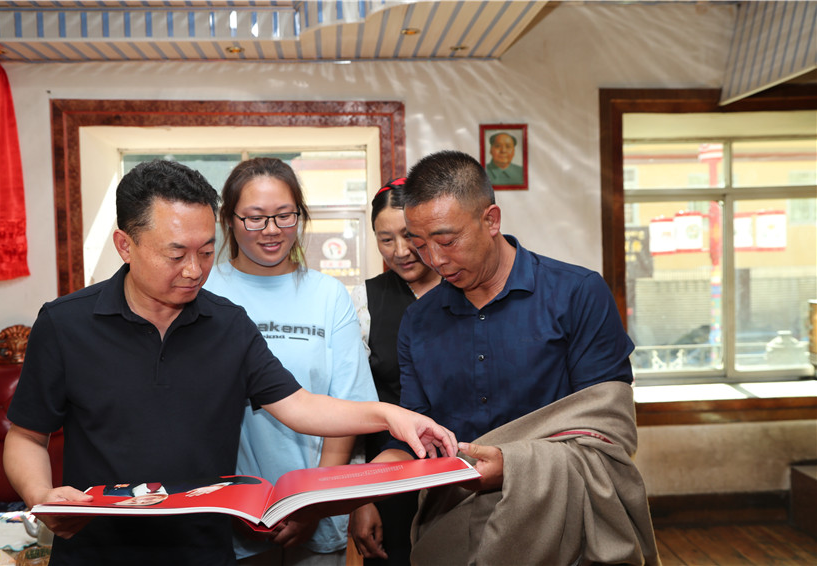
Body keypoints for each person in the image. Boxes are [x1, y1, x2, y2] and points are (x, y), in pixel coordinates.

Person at [2, 159, 457, 566]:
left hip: (203, 548)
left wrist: (390, 415)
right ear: (125, 245)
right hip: (96, 548)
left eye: (205, 251)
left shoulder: (228, 323)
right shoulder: (65, 324)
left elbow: (300, 406)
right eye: (176, 254)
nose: (194, 270)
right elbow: (26, 436)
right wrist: (41, 496)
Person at [374, 151, 659, 565]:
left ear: (491, 220)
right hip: (454, 527)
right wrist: (370, 479)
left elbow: (608, 434)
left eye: (447, 241)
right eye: (421, 245)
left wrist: (515, 466)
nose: (435, 260)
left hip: (562, 527)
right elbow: (417, 433)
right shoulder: (419, 320)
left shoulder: (577, 295)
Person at [203, 157, 378, 565]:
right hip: (227, 512)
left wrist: (311, 505)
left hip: (317, 509)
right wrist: (234, 503)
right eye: (255, 218)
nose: (272, 230)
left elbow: (347, 405)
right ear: (229, 220)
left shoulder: (328, 295)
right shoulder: (206, 291)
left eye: (284, 215)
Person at [348, 178, 441, 564]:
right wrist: (360, 497)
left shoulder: (467, 290)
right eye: (386, 240)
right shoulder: (364, 302)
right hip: (388, 477)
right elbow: (352, 402)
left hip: (462, 473)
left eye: (409, 236)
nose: (400, 251)